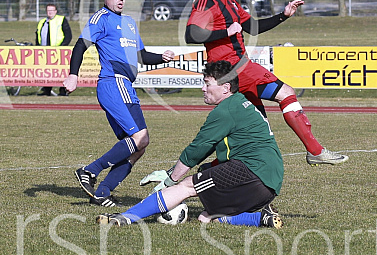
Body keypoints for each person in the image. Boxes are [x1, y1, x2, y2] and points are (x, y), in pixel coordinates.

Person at [186, 0, 347, 166]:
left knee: (258, 133)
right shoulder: (207, 1)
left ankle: (210, 174)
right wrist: (226, 32)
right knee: (286, 93)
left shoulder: (230, 2)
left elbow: (252, 27)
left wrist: (283, 15)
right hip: (233, 69)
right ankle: (315, 151)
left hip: (238, 70)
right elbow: (191, 34)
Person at [96, 60, 283, 228]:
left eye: (207, 83)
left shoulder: (226, 111)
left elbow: (196, 150)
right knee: (205, 217)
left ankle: (126, 217)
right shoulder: (242, 103)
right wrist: (173, 171)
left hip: (252, 173)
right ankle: (261, 218)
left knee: (186, 186)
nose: (203, 88)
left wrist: (170, 180)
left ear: (226, 88)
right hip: (270, 184)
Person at [62, 0, 175, 207]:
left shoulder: (130, 23)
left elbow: (141, 56)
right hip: (113, 82)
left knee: (139, 145)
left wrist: (162, 57)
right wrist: (73, 75)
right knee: (139, 138)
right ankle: (90, 171)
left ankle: (102, 191)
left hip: (126, 87)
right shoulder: (101, 18)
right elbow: (81, 46)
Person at [35, 3, 72, 96]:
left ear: (55, 11)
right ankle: (46, 91)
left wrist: (62, 48)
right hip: (44, 52)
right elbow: (38, 36)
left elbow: (68, 36)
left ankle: (63, 91)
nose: (50, 12)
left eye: (52, 10)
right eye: (48, 10)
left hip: (58, 52)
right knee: (47, 72)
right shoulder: (42, 22)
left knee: (61, 72)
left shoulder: (61, 20)